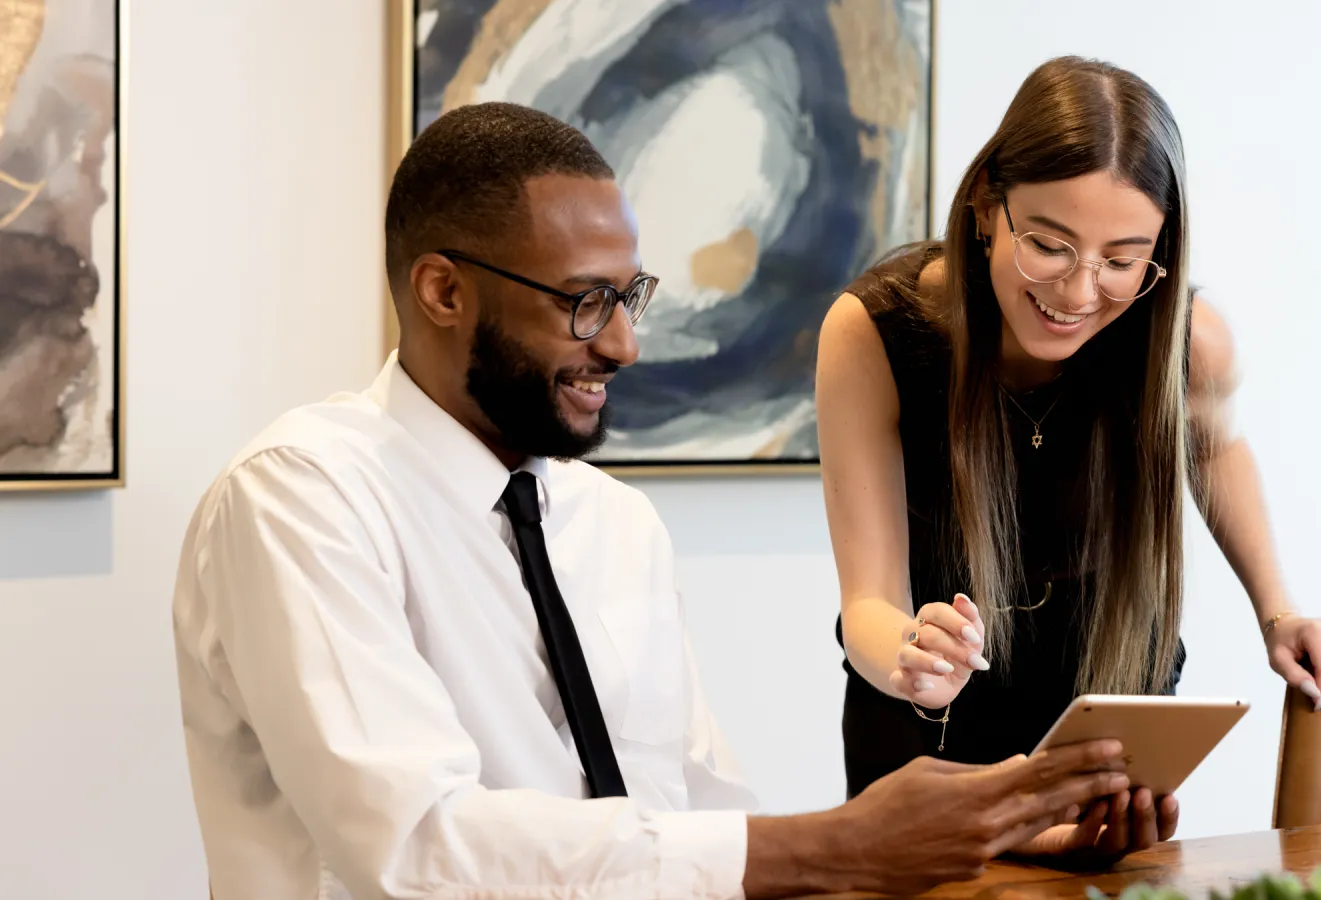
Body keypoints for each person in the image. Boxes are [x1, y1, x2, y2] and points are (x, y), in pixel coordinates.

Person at [171, 102, 1131, 900]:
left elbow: (700, 826)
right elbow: (416, 847)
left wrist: (990, 840)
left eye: (632, 295)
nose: (625, 344)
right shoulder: (301, 498)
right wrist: (843, 844)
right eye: (585, 301)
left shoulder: (616, 525)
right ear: (441, 291)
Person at [816, 56, 1321, 862]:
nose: (1080, 292)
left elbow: (1214, 447)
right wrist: (911, 656)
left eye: (1121, 260)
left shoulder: (1185, 338)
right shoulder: (876, 330)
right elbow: (867, 598)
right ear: (985, 207)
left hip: (1105, 723)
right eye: (1049, 244)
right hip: (931, 744)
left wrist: (1280, 614)